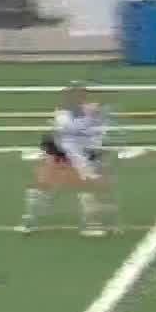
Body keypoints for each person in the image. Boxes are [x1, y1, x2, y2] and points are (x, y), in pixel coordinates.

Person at [19, 82, 115, 236]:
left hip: (84, 150)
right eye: (72, 96)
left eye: (80, 96)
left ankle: (90, 223)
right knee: (43, 183)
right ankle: (30, 219)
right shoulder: (63, 115)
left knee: (89, 185)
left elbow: (98, 133)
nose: (76, 99)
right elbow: (70, 131)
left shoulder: (91, 110)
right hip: (61, 151)